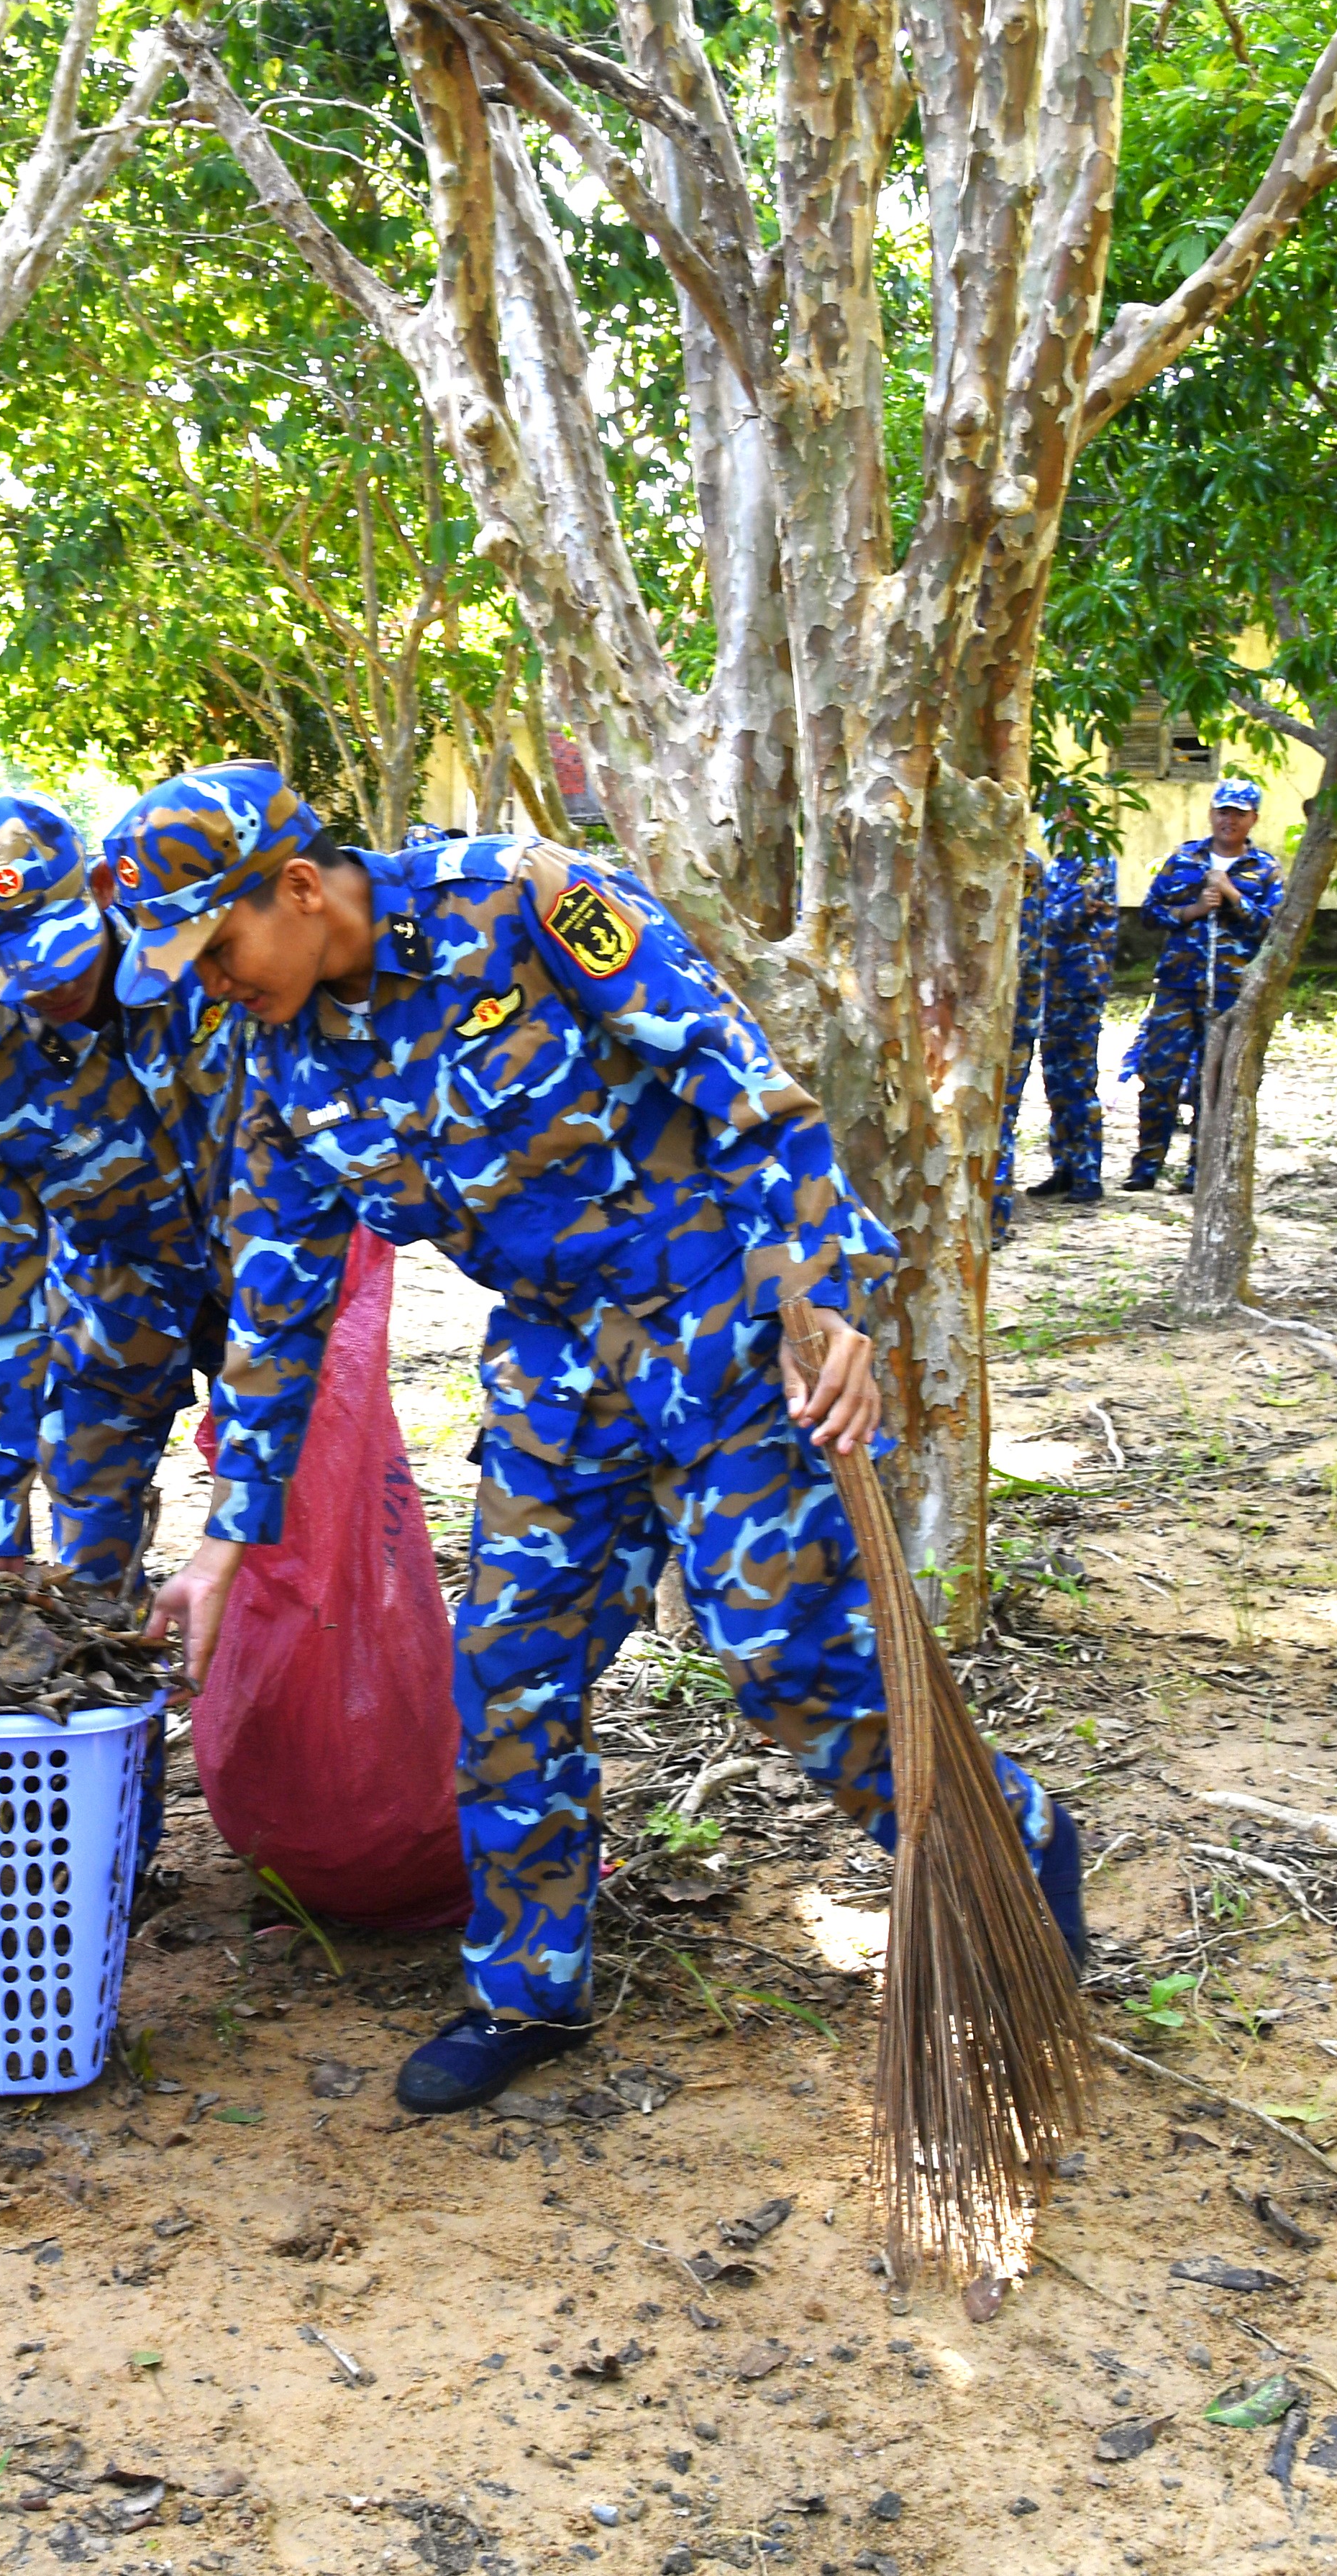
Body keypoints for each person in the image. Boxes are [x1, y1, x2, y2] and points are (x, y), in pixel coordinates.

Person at [107, 765, 1090, 2115]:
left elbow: (740, 1080)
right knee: (507, 1672)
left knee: (789, 1660)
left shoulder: (518, 901)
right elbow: (278, 1305)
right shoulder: (276, 1063)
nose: (212, 983)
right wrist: (224, 1543)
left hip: (722, 1329)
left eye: (214, 948)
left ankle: (1012, 1859)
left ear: (293, 886)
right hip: (557, 1362)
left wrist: (829, 1289)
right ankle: (528, 1986)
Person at [0, 793, 241, 1593]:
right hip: (118, 1279)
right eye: (14, 965)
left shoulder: (207, 959)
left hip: (266, 1263)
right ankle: (118, 1705)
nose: (50, 985)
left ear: (99, 887)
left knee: (298, 1521)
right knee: (86, 1551)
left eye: (62, 950)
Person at [1122, 783, 1282, 1191]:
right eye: (1223, 812)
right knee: (1159, 1077)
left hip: (1231, 994)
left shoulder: (1265, 870)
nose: (1229, 820)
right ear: (1211, 814)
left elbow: (1276, 928)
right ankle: (1147, 1166)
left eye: (1240, 814)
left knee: (1212, 1085)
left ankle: (1200, 1169)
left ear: (1253, 820)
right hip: (1178, 987)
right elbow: (1150, 914)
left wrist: (1233, 897)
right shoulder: (1183, 859)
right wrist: (1192, 911)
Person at [1026, 829, 1122, 1206]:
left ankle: (1088, 1173)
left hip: (1081, 985)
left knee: (1079, 1081)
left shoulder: (1092, 859)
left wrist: (1042, 911)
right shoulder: (1056, 866)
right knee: (1056, 1081)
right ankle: (1064, 1166)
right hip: (1052, 985)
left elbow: (1065, 915)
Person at [993, 848, 1048, 1238]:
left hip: (1006, 1020)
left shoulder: (1018, 861)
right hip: (944, 1020)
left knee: (996, 1120)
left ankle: (992, 1221)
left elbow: (1019, 950)